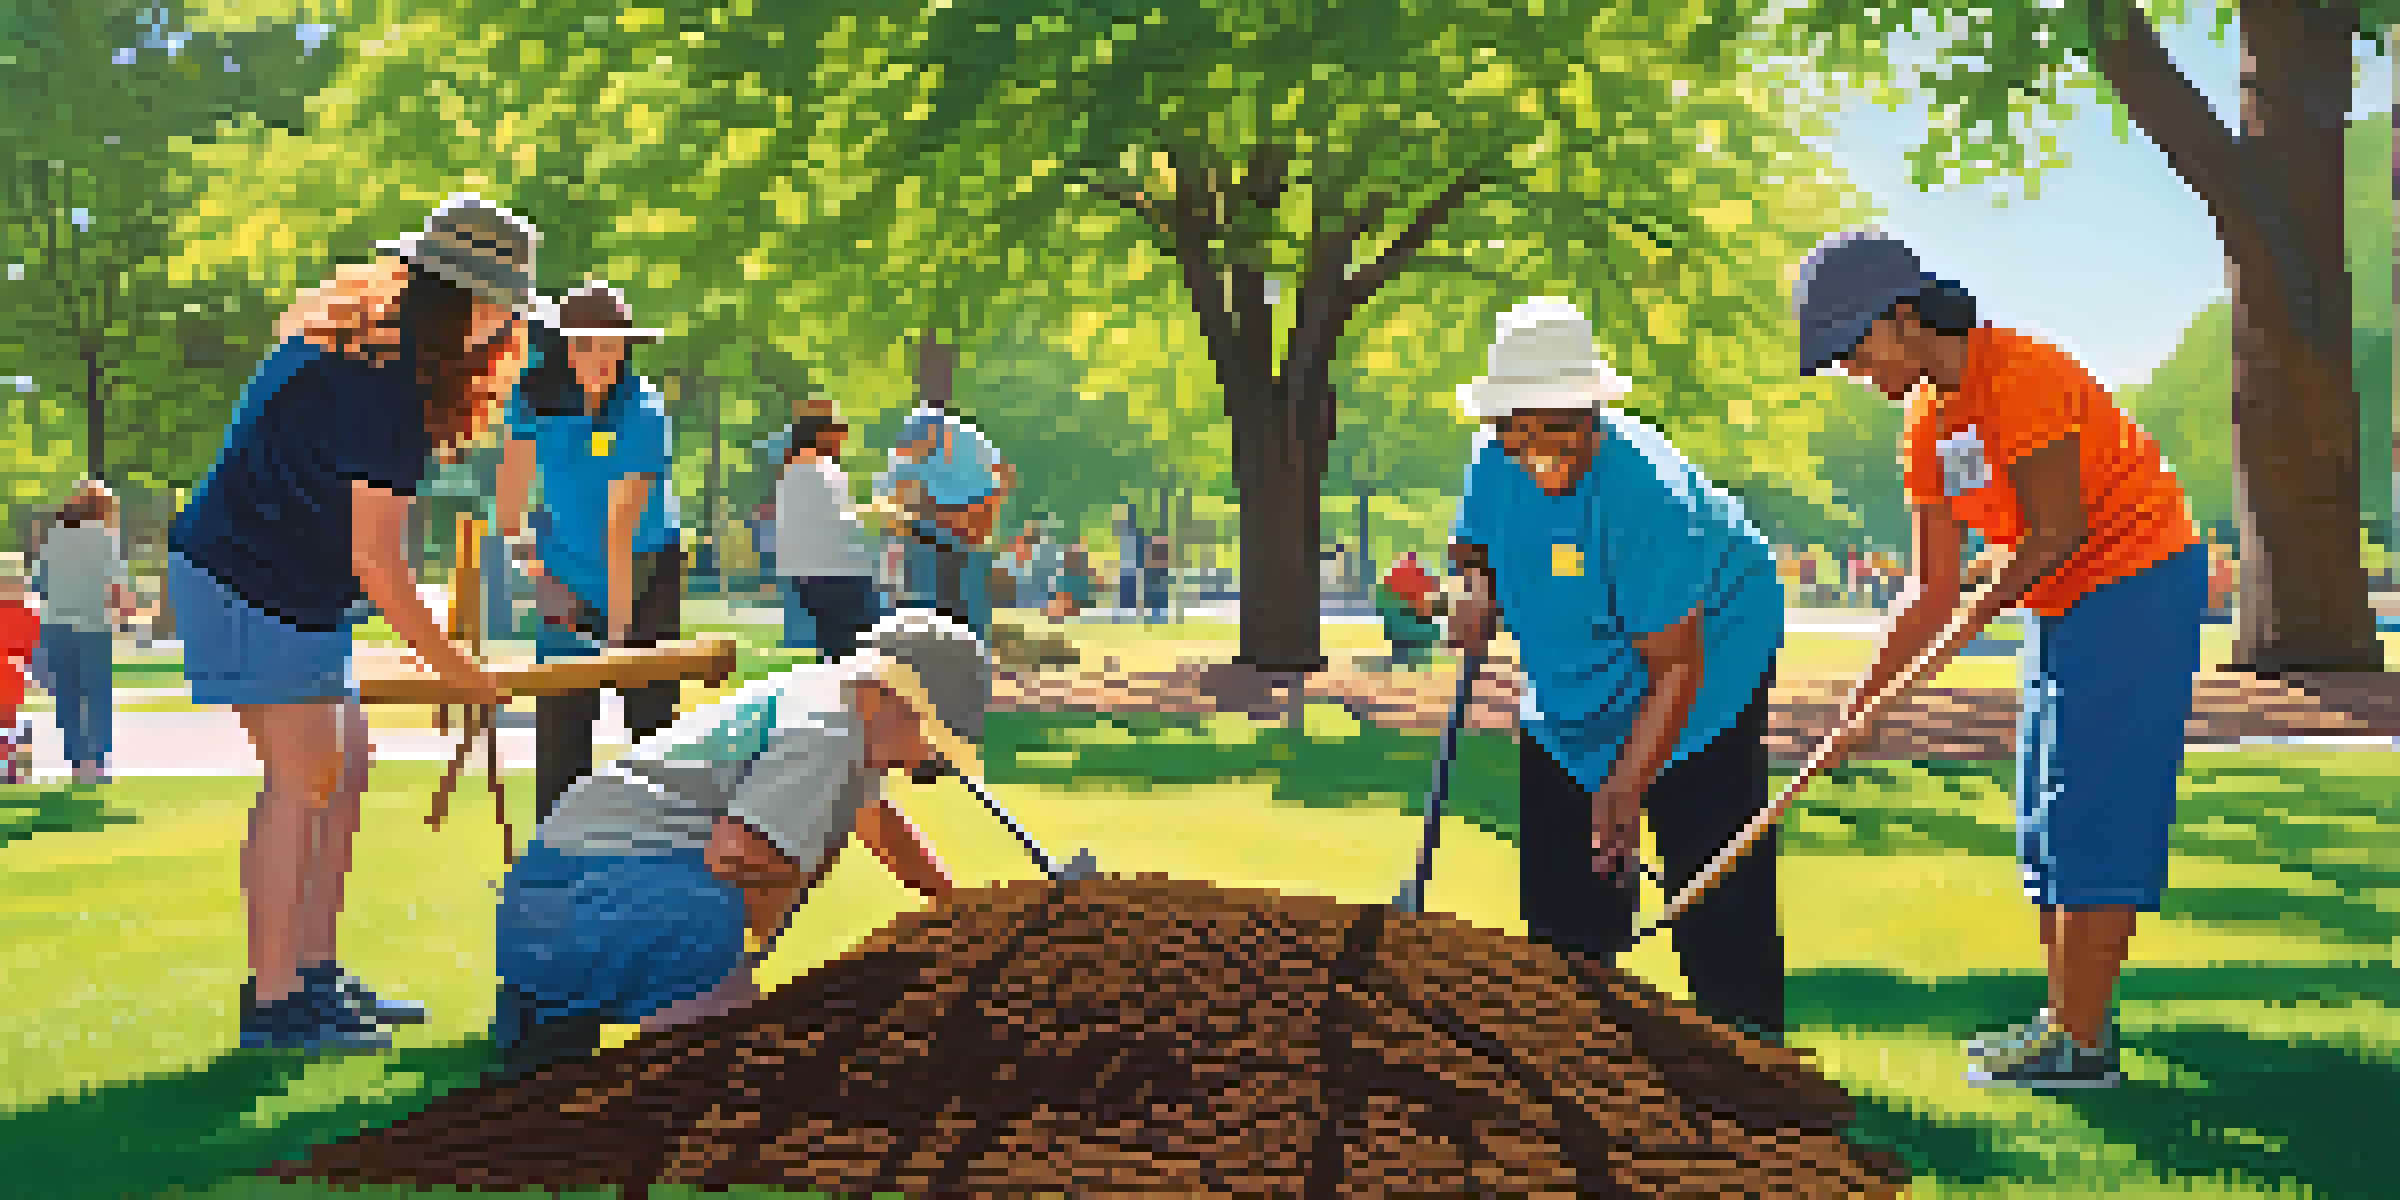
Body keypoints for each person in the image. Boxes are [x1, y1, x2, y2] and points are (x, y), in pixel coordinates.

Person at [1792, 230, 2205, 1089]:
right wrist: (1858, 709)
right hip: (2061, 598)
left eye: (1852, 346)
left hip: (2136, 581)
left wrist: (1975, 620)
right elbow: (1930, 586)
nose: (1850, 370)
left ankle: (2082, 1048)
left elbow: (2059, 529)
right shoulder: (1925, 423)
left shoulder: (2020, 373)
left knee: (2095, 806)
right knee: (2046, 815)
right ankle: (2062, 1025)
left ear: (1903, 318)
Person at [170, 193, 534, 1051]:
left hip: (263, 582)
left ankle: (315, 975)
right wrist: (453, 667)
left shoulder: (361, 346)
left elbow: (361, 551)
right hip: (252, 584)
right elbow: (379, 558)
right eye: (501, 310)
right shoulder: (385, 389)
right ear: (469, 302)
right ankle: (279, 1005)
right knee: (303, 779)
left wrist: (444, 659)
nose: (503, 331)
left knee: (347, 760)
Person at [1447, 298, 1787, 1044]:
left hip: (1705, 670)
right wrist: (1474, 593)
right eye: (1519, 427)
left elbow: (1675, 666)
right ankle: (1580, 1046)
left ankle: (1752, 1061)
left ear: (1593, 413)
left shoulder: (1649, 499)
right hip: (1575, 675)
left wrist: (1628, 785)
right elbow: (1474, 548)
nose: (1539, 447)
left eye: (1561, 424)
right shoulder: (1493, 463)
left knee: (1708, 861)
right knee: (1564, 872)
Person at [490, 609, 980, 1080]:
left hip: (552, 911)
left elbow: (878, 823)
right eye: (932, 736)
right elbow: (735, 852)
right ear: (887, 696)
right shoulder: (829, 732)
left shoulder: (833, 705)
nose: (926, 762)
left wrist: (961, 909)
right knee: (727, 909)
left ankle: (547, 1014)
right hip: (583, 902)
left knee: (748, 895)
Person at [496, 281, 686, 826]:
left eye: (611, 346)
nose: (599, 360)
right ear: (563, 345)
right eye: (585, 346)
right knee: (561, 717)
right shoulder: (531, 400)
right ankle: (553, 859)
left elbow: (620, 530)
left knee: (649, 723)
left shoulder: (642, 411)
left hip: (645, 566)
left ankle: (659, 846)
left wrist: (619, 631)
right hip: (565, 567)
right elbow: (512, 509)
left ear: (627, 347)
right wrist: (543, 573)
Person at [877, 407, 1014, 640]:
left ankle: (974, 665)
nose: (916, 453)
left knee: (970, 617)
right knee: (924, 614)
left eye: (922, 447)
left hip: (970, 539)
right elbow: (893, 503)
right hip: (924, 539)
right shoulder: (904, 457)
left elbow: (999, 483)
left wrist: (978, 526)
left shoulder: (973, 446)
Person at [37, 482, 138, 784]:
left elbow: (39, 583)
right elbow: (117, 586)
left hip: (55, 625)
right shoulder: (105, 537)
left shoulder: (53, 536)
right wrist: (126, 615)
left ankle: (78, 763)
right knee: (95, 694)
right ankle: (95, 763)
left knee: (67, 695)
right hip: (93, 625)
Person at [776, 413, 881, 660]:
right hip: (839, 570)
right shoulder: (818, 466)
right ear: (821, 433)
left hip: (812, 572)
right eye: (838, 433)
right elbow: (835, 517)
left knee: (834, 647)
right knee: (859, 647)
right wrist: (874, 512)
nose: (842, 440)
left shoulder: (792, 466)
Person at [1376, 553, 1444, 670]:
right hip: (1410, 623)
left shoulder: (1393, 584)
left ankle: (1409, 661)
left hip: (1407, 623)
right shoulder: (1420, 580)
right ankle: (1414, 661)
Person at [0, 570, 36, 785]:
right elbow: (31, 648)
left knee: (8, 724)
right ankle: (13, 771)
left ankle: (11, 768)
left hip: (9, 673)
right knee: (11, 723)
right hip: (13, 675)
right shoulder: (27, 616)